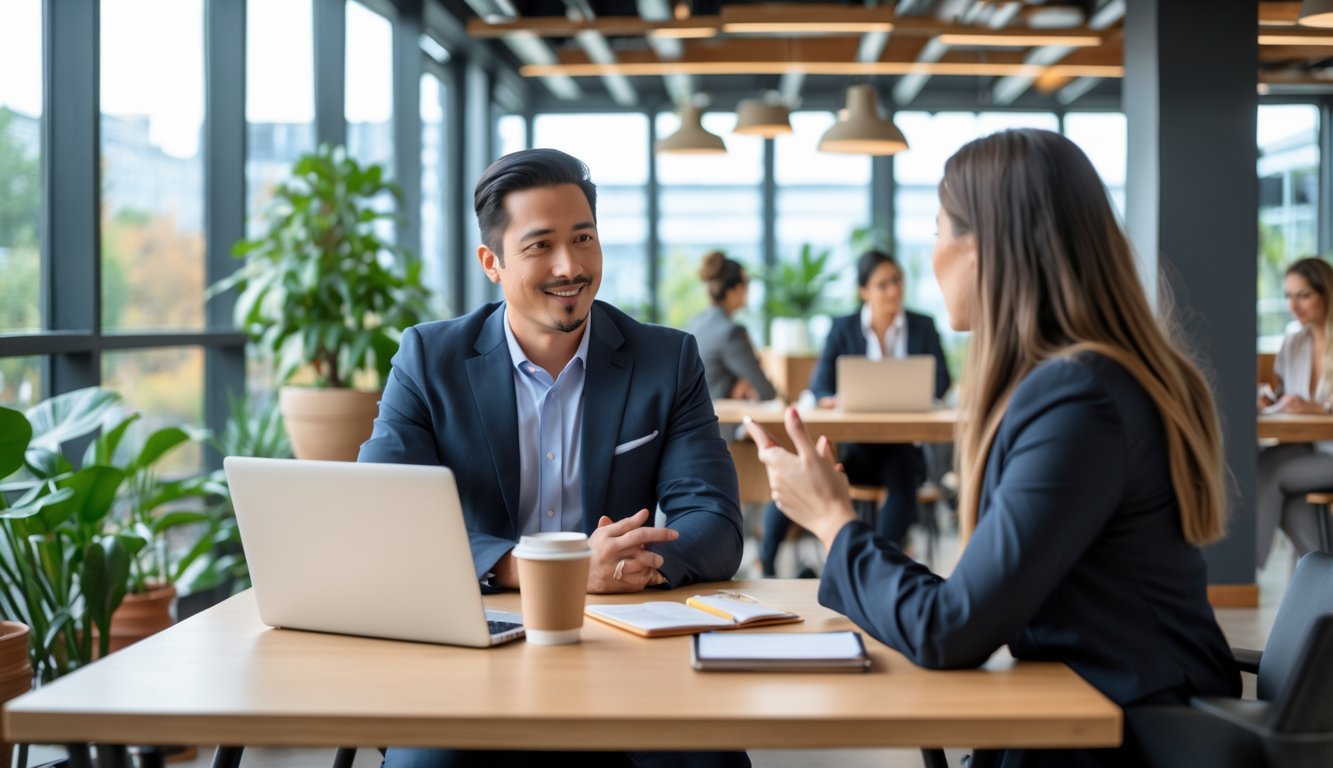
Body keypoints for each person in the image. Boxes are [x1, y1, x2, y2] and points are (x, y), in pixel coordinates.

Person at [744, 128, 1239, 767]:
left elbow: (950, 628)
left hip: (1120, 738)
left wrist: (834, 522)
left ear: (981, 248)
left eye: (938, 231)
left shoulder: (1077, 401)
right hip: (1087, 710)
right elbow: (973, 607)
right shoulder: (1083, 382)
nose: (932, 256)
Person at [359, 148, 748, 768]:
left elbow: (716, 524)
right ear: (493, 262)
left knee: (710, 760)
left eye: (584, 239)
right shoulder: (428, 360)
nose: (570, 266)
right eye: (540, 245)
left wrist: (623, 565)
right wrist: (552, 570)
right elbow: (381, 518)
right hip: (476, 654)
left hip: (629, 652)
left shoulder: (666, 362)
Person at [757, 250, 950, 575]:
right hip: (856, 447)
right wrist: (829, 398)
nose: (894, 290)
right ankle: (766, 562)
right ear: (864, 291)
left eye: (897, 281)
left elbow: (941, 380)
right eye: (883, 284)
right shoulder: (843, 327)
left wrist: (918, 393)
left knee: (903, 482)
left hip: (902, 446)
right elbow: (819, 385)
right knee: (801, 471)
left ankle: (876, 570)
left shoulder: (922, 326)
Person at [1256, 257, 1333, 568]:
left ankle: (1248, 573)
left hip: (1328, 452)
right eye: (1288, 295)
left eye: (1303, 295)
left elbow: (1311, 405)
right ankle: (1325, 586)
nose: (1293, 305)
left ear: (1326, 294)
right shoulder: (1293, 343)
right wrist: (1270, 399)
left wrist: (1317, 408)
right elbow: (1286, 393)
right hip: (1307, 448)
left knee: (1273, 473)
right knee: (1291, 501)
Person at [686, 251, 776, 402]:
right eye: (746, 284)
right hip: (723, 420)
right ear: (734, 290)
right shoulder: (731, 332)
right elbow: (765, 391)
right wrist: (737, 385)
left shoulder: (694, 323)